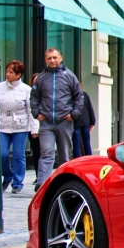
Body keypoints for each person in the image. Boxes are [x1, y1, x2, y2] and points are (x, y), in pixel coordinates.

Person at [30, 48, 83, 188]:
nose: (52, 60)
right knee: (46, 153)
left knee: (64, 155)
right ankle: (42, 184)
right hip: (46, 122)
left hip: (64, 121)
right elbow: (34, 97)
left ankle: (63, 184)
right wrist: (37, 113)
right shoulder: (41, 78)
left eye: (55, 57)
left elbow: (79, 96)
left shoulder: (69, 76)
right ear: (45, 60)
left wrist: (73, 114)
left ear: (60, 57)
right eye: (49, 58)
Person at [0, 60, 38, 194]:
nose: (8, 74)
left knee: (19, 155)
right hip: (3, 125)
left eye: (11, 72)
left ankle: (17, 182)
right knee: (2, 154)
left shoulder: (26, 90)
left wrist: (34, 128)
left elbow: (31, 111)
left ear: (18, 74)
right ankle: (7, 175)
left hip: (20, 126)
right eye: (7, 71)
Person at [73, 84, 96, 157]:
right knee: (86, 142)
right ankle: (89, 159)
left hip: (75, 122)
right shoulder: (85, 95)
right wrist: (92, 122)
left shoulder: (72, 96)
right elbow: (90, 109)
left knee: (76, 143)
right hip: (86, 122)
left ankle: (77, 160)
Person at [28, 73, 41, 173]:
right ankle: (38, 175)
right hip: (32, 126)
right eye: (34, 80)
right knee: (36, 152)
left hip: (46, 126)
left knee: (45, 152)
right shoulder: (29, 93)